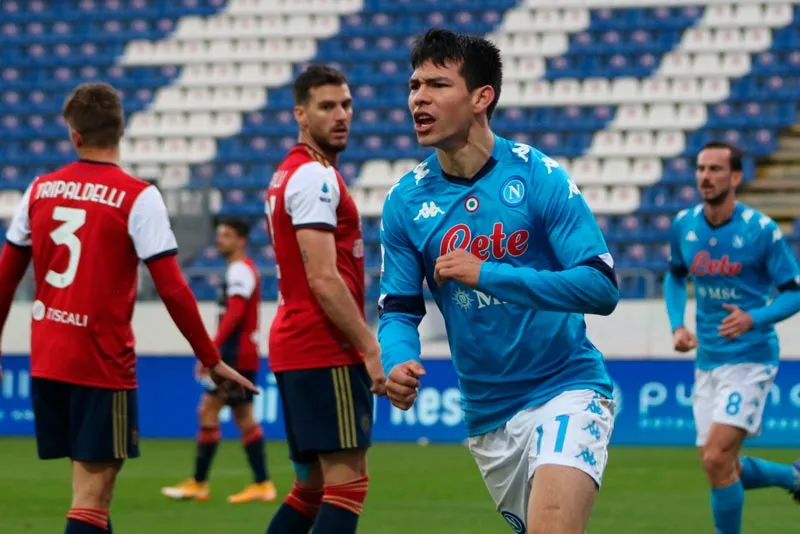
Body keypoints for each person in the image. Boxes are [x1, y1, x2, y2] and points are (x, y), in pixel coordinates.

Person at [378, 29, 619, 534]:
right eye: (414, 85)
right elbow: (399, 308)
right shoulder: (404, 202)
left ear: (481, 97)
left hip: (566, 386)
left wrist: (487, 273)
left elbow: (601, 285)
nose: (418, 97)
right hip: (488, 415)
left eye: (438, 85)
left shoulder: (539, 176)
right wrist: (396, 358)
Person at [0, 82, 257, 534]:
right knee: (92, 499)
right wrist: (210, 357)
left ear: (73, 134)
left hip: (47, 360)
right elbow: (174, 289)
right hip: (101, 363)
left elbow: (5, 277)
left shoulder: (39, 189)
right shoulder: (138, 196)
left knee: (88, 494)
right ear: (121, 131)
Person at [263, 65, 386, 534]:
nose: (341, 116)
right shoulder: (315, 178)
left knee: (310, 489)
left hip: (298, 346)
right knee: (346, 489)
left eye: (347, 105)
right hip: (324, 346)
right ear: (300, 114)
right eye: (327, 106)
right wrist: (368, 348)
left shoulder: (286, 175)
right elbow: (323, 278)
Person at [664, 141, 800, 534]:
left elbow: (794, 291)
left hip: (750, 357)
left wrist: (753, 317)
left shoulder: (761, 231)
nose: (705, 176)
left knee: (716, 459)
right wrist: (677, 324)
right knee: (720, 463)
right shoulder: (683, 225)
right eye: (701, 168)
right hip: (707, 359)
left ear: (736, 177)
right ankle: (793, 479)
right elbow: (675, 275)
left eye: (715, 169)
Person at [161, 217, 276, 503]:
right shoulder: (241, 270)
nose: (220, 240)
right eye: (220, 234)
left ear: (241, 240)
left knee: (208, 411)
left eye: (226, 235)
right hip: (242, 354)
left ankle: (200, 482)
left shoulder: (240, 271)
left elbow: (235, 313)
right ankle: (262, 484)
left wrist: (210, 350)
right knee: (243, 417)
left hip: (235, 356)